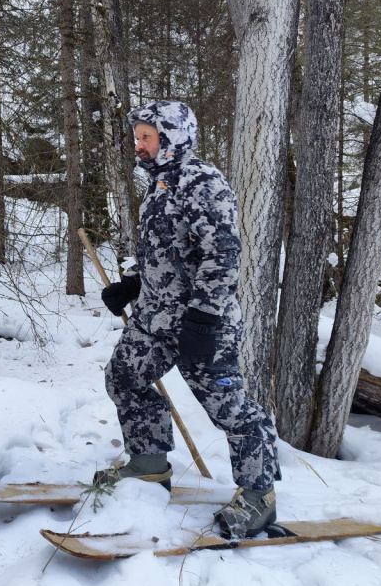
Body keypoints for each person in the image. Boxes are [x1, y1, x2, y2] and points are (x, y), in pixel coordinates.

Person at [94, 100, 281, 540]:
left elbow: (222, 255)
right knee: (124, 377)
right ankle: (148, 465)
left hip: (203, 321)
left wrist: (204, 318)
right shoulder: (160, 183)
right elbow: (168, 251)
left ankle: (259, 496)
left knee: (229, 410)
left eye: (146, 137)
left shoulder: (202, 181)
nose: (138, 144)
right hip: (156, 318)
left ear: (172, 137)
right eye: (137, 137)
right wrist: (133, 284)